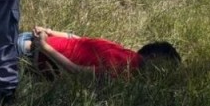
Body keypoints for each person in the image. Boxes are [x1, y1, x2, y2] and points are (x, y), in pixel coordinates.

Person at [18, 27, 180, 78]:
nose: (163, 74)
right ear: (153, 58)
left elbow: (79, 39)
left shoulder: (125, 52)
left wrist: (49, 31)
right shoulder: (125, 69)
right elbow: (77, 71)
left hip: (31, 41)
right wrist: (45, 47)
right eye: (165, 67)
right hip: (30, 54)